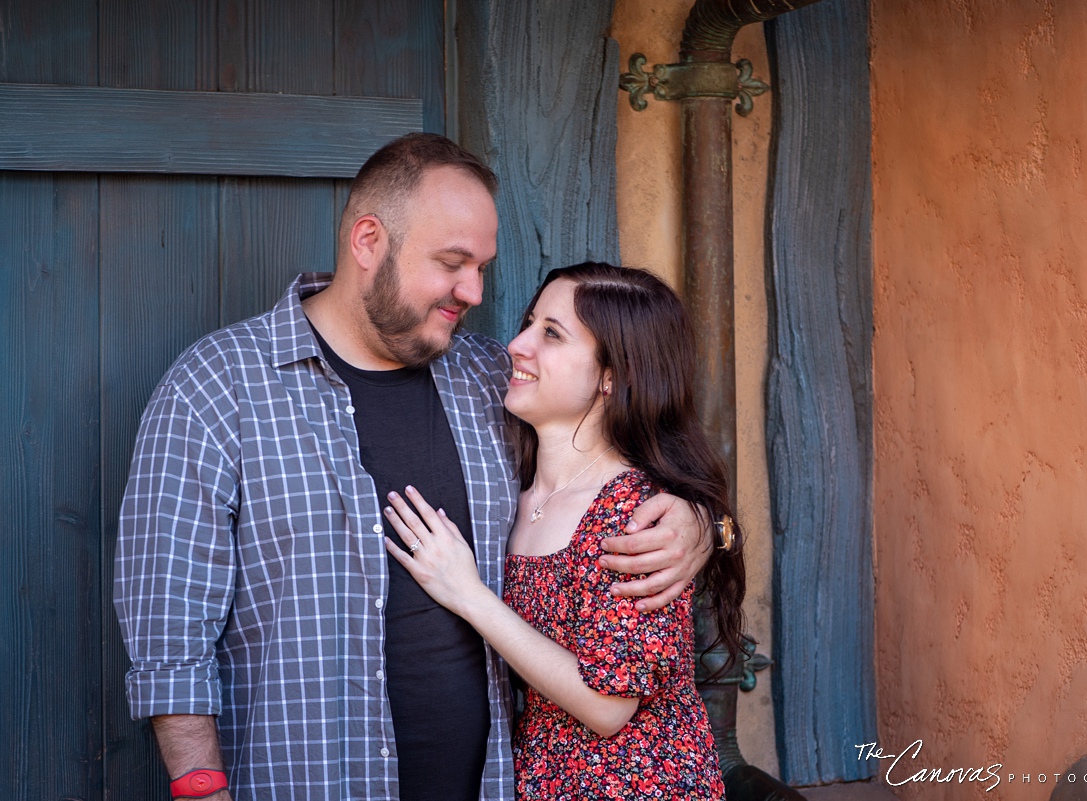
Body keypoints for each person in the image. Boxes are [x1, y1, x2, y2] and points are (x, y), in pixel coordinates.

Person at [113, 135, 712, 801]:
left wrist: (702, 520)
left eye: (482, 267)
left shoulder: (493, 379)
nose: (475, 291)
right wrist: (202, 788)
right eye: (453, 263)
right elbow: (168, 635)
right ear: (369, 241)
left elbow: (619, 452)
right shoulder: (216, 387)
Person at [382, 263, 745, 799]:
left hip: (639, 785)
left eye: (551, 334)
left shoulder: (634, 513)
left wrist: (467, 594)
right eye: (530, 322)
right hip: (545, 778)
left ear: (612, 376)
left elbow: (608, 705)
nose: (517, 344)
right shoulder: (513, 485)